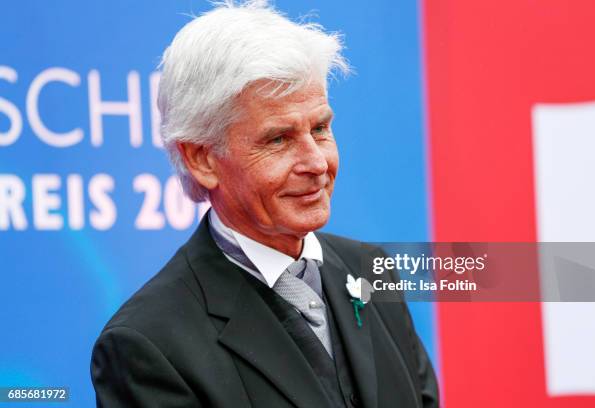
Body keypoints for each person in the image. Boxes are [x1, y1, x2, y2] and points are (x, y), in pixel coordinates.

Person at [90, 1, 438, 407]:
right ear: (202, 160)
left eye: (320, 128)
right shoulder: (148, 346)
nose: (316, 162)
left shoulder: (371, 271)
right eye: (278, 139)